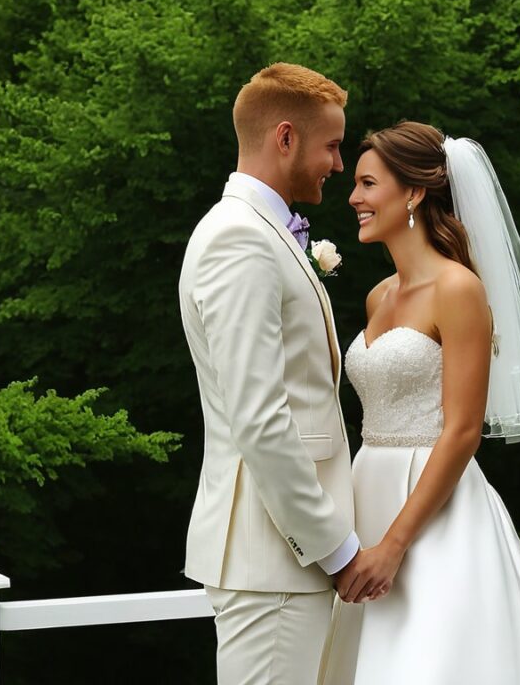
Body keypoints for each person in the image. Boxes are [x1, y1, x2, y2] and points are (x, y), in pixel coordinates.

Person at [320, 121, 520, 684]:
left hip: (433, 505)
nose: (354, 197)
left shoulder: (458, 288)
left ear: (414, 192)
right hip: (368, 491)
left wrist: (393, 545)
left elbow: (463, 430)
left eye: (368, 184)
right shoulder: (378, 296)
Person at [178, 63, 366, 685]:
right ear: (285, 137)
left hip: (283, 559)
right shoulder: (239, 239)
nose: (338, 164)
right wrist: (335, 547)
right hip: (274, 557)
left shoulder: (259, 232)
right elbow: (259, 418)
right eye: (331, 146)